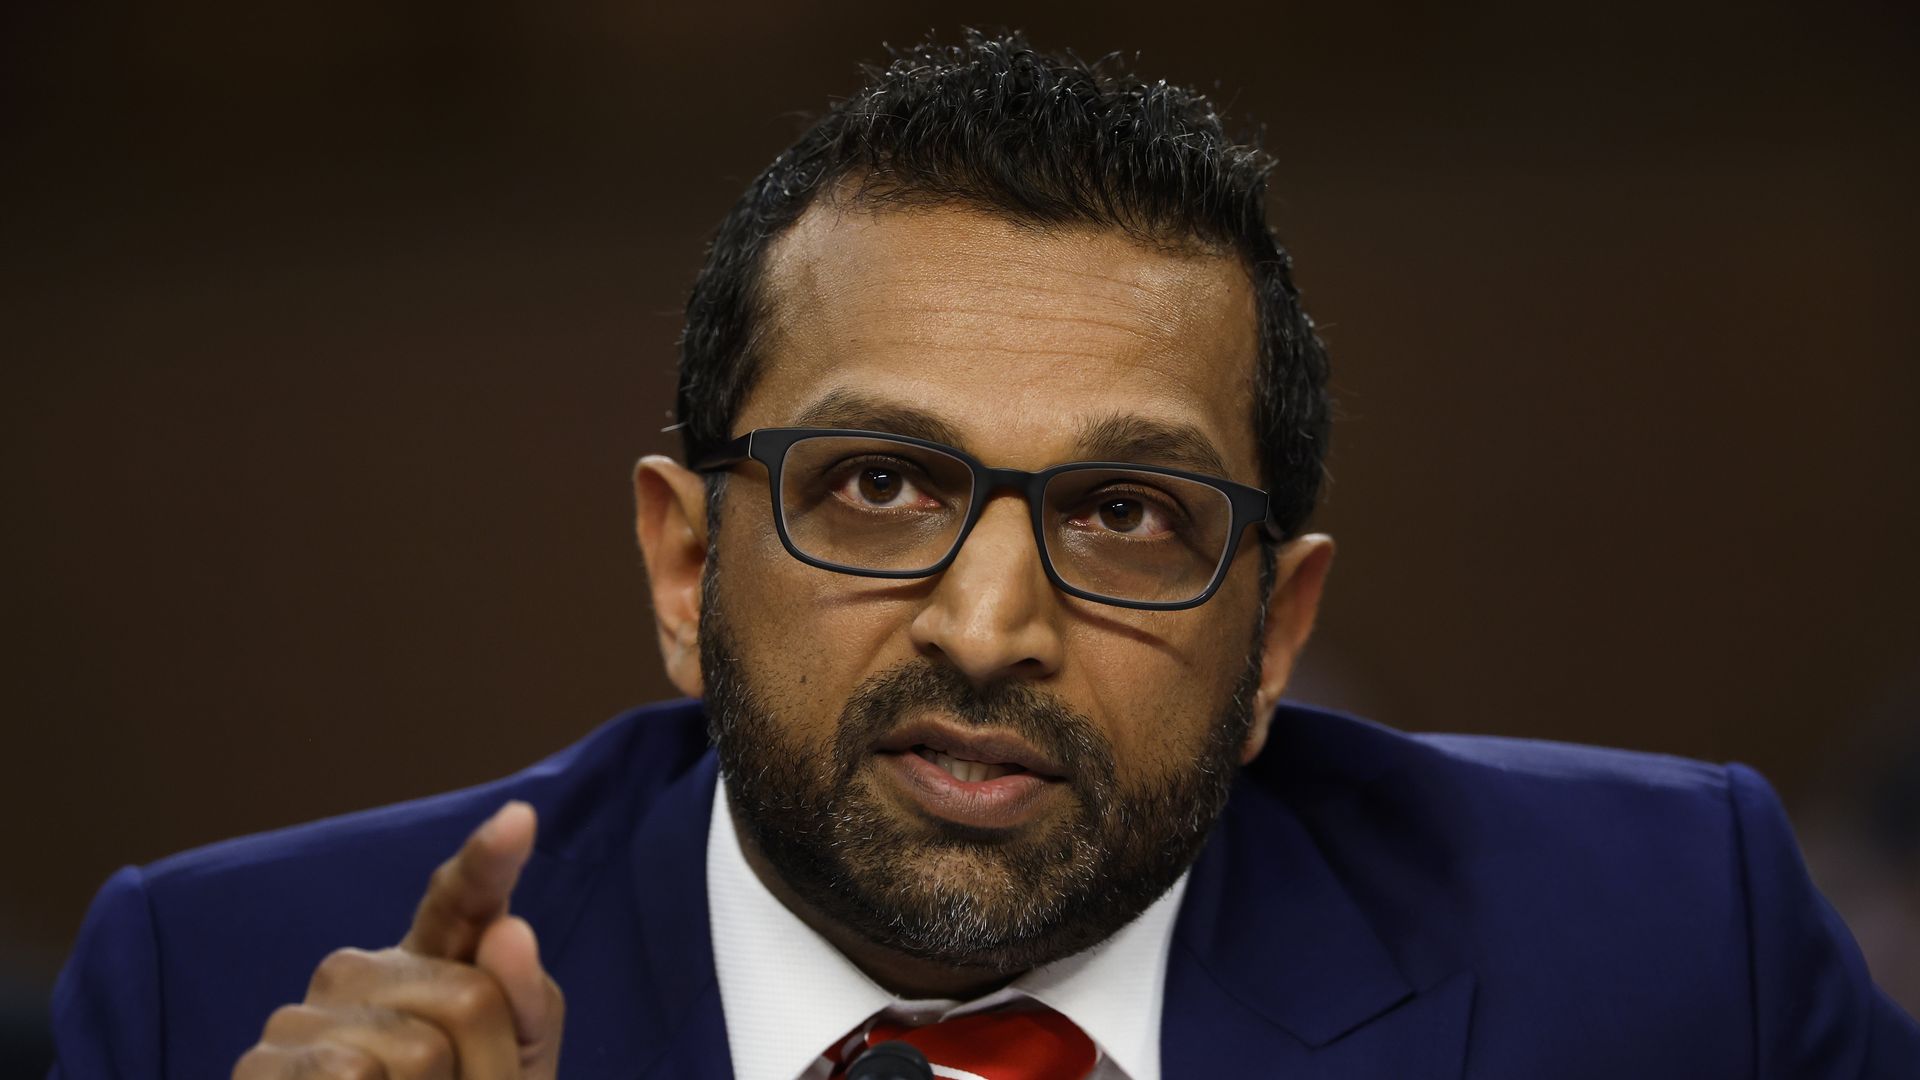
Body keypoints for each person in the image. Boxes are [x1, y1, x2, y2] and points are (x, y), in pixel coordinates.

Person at [48, 30, 1919, 1080]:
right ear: (686, 568)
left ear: (1275, 637)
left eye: (1125, 514)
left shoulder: (1674, 952)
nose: (992, 621)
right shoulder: (213, 999)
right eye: (877, 486)